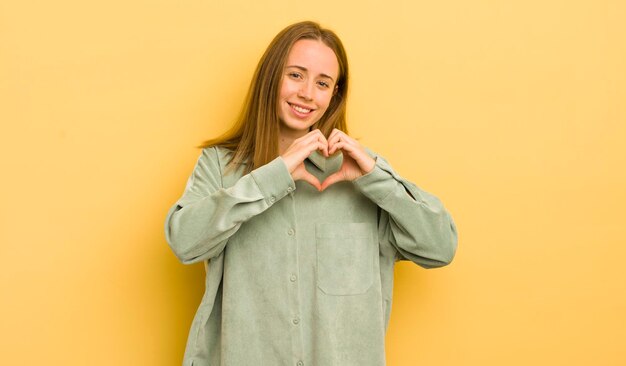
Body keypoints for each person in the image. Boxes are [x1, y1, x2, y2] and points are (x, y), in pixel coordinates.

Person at [164, 20, 457, 366]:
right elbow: (184, 242)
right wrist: (272, 177)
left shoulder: (361, 174)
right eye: (295, 75)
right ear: (270, 78)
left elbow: (440, 247)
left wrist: (377, 178)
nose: (307, 93)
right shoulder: (221, 165)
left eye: (322, 83)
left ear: (335, 94)